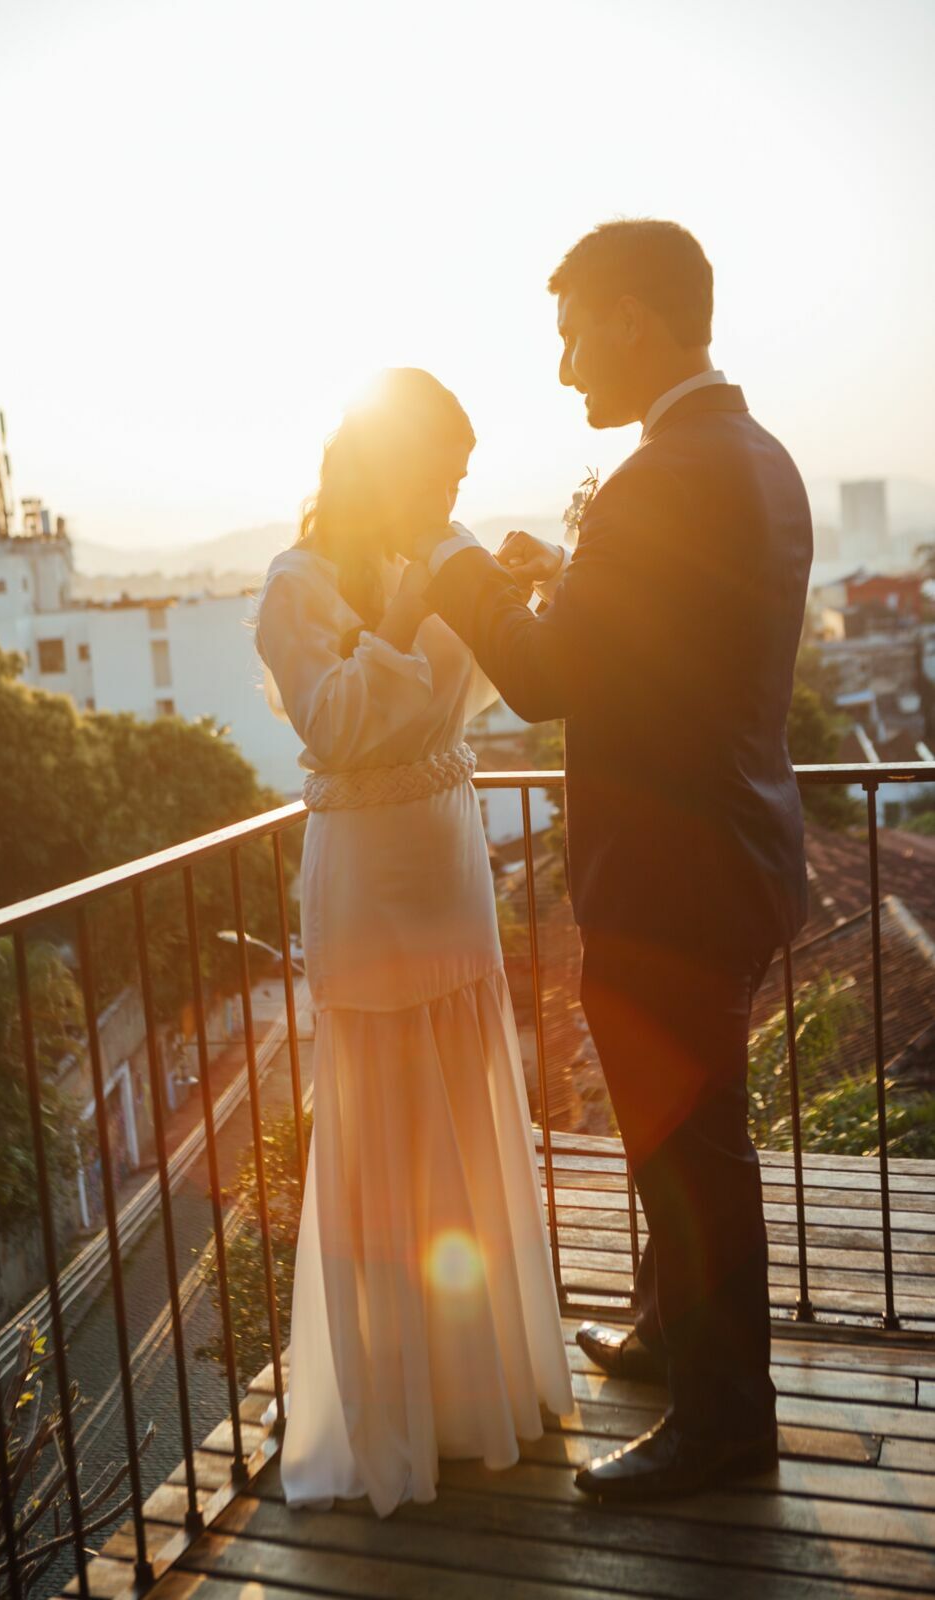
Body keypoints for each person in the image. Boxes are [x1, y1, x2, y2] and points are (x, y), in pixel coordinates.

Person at [414, 220, 813, 1501]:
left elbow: (542, 677)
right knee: (674, 1130)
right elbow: (660, 647)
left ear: (634, 318)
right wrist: (565, 577)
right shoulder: (756, 457)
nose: (565, 365)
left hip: (669, 882)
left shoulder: (658, 479)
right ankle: (660, 1334)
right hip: (736, 854)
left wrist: (453, 559)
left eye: (574, 333)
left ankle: (723, 1424)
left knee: (690, 1151)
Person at [254, 367, 573, 1519]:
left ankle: (480, 1387)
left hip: (447, 868)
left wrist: (519, 588)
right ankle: (395, 1414)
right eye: (440, 471)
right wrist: (405, 607)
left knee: (464, 1121)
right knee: (385, 1133)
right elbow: (336, 723)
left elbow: (493, 684)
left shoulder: (446, 555)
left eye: (462, 475)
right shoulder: (296, 585)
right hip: (368, 885)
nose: (453, 493)